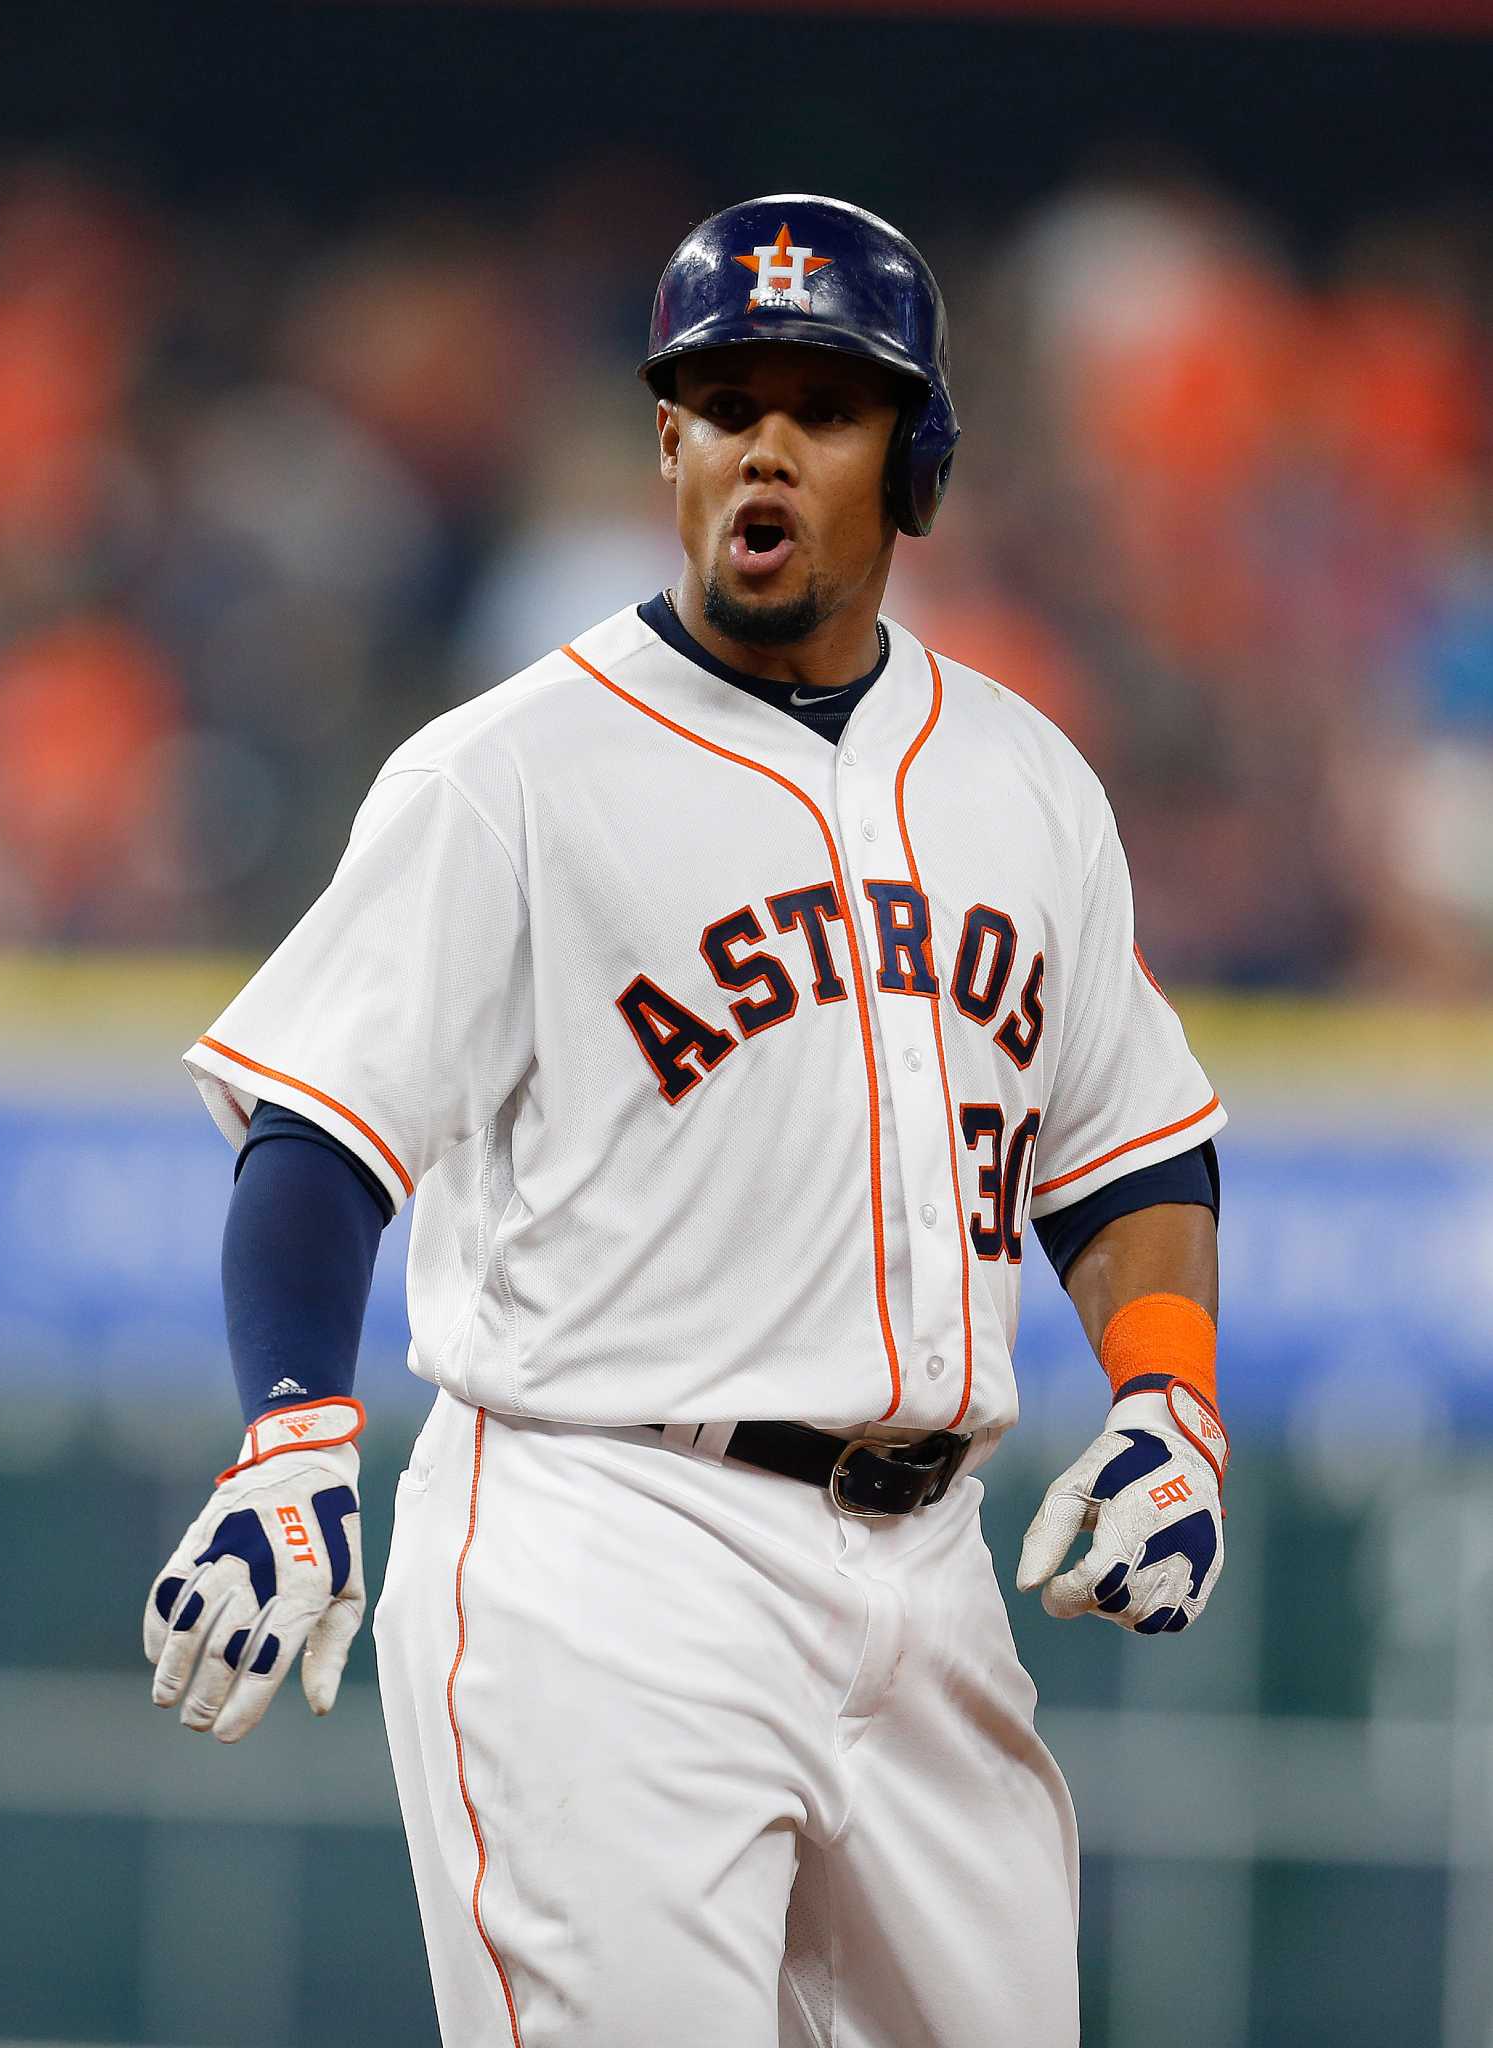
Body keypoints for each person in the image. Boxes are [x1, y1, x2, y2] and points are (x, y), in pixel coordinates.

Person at [145, 194, 1229, 2048]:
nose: (767, 447)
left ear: (918, 458)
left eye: (824, 404)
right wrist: (288, 1433)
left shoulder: (1025, 781)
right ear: (667, 443)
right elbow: (318, 1136)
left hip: (929, 1568)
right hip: (606, 1541)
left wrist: (1168, 1400)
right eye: (723, 403)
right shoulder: (507, 776)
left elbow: (1124, 1148)